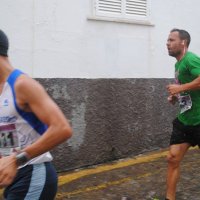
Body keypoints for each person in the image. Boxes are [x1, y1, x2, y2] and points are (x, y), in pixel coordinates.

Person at [0, 29, 72, 200]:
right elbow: (10, 133)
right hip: (13, 178)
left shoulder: (22, 84)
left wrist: (15, 160)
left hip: (33, 175)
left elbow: (62, 128)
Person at [166, 28, 200, 200]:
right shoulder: (178, 64)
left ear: (183, 43)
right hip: (185, 120)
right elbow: (187, 87)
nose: (167, 43)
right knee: (172, 158)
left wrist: (180, 88)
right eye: (167, 40)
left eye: (171, 40)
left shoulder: (191, 59)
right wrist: (175, 96)